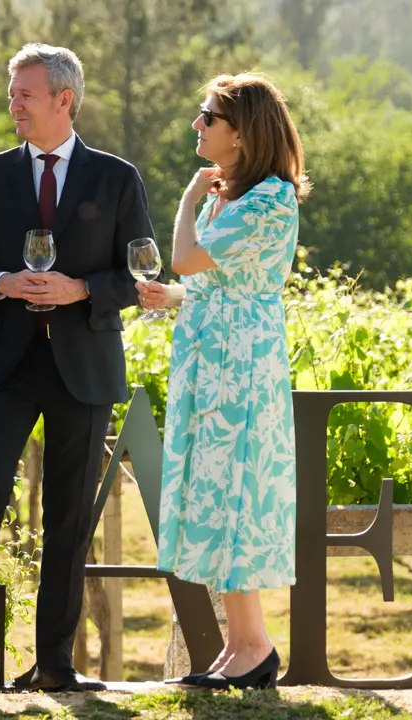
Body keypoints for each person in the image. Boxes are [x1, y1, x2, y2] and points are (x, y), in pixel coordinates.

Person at [0, 44, 154, 696]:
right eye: (10, 91)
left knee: (69, 519)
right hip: (4, 368)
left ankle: (55, 663)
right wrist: (3, 282)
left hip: (83, 366)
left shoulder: (117, 178)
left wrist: (80, 291)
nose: (13, 102)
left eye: (24, 93)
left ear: (63, 99)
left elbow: (140, 275)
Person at [137, 73, 309, 690]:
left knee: (238, 492)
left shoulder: (269, 199)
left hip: (240, 369)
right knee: (215, 494)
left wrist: (186, 201)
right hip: (211, 362)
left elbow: (186, 255)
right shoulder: (234, 196)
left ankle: (256, 645)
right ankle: (242, 645)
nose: (197, 125)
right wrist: (176, 297)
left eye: (207, 117)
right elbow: (211, 280)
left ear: (241, 132)